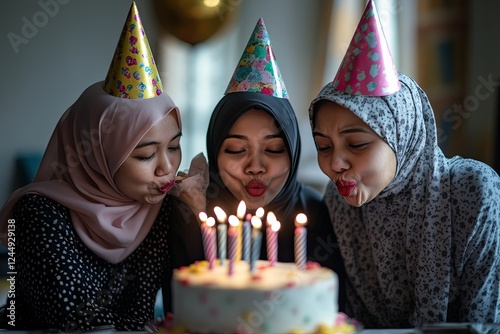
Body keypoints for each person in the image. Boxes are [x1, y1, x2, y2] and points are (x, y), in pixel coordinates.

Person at [0, 2, 203, 330]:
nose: (166, 168)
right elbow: (73, 320)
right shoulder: (35, 215)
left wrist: (196, 214)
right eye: (145, 155)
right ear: (97, 155)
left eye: (175, 146)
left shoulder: (160, 209)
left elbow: (160, 310)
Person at [309, 0, 500, 328]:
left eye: (356, 144)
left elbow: (483, 324)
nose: (335, 164)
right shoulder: (339, 203)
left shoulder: (472, 190)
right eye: (323, 146)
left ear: (403, 135)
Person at [205, 18, 346, 309]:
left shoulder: (318, 215)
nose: (255, 166)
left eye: (273, 149)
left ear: (293, 153)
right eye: (234, 149)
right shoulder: (195, 215)